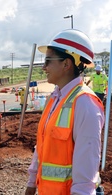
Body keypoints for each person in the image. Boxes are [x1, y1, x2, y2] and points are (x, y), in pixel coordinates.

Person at [25, 29, 104, 195]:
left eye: (48, 60)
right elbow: (42, 146)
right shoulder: (54, 98)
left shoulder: (85, 104)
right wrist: (32, 183)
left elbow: (86, 173)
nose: (44, 67)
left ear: (66, 64)